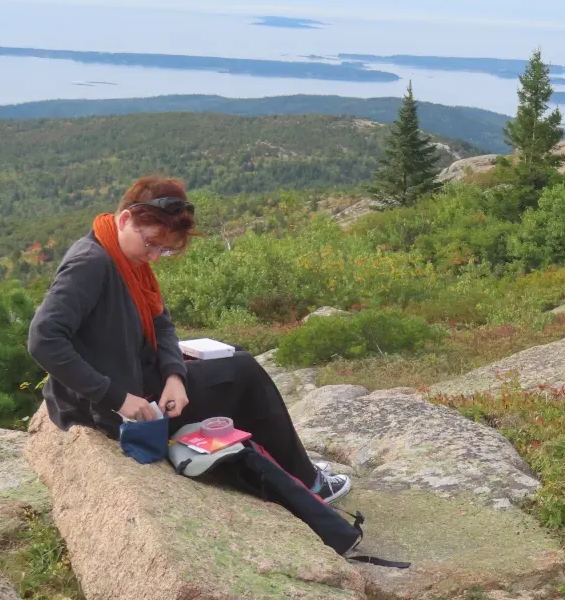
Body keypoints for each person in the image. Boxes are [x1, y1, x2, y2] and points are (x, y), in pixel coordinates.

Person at [27, 176, 351, 503]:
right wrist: (118, 397)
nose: (154, 256)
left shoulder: (124, 256)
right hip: (110, 409)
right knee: (244, 375)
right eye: (151, 243)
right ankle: (308, 483)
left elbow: (161, 322)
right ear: (125, 219)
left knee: (234, 358)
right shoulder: (91, 262)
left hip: (138, 377)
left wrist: (174, 375)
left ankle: (289, 467)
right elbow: (43, 340)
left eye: (163, 249)